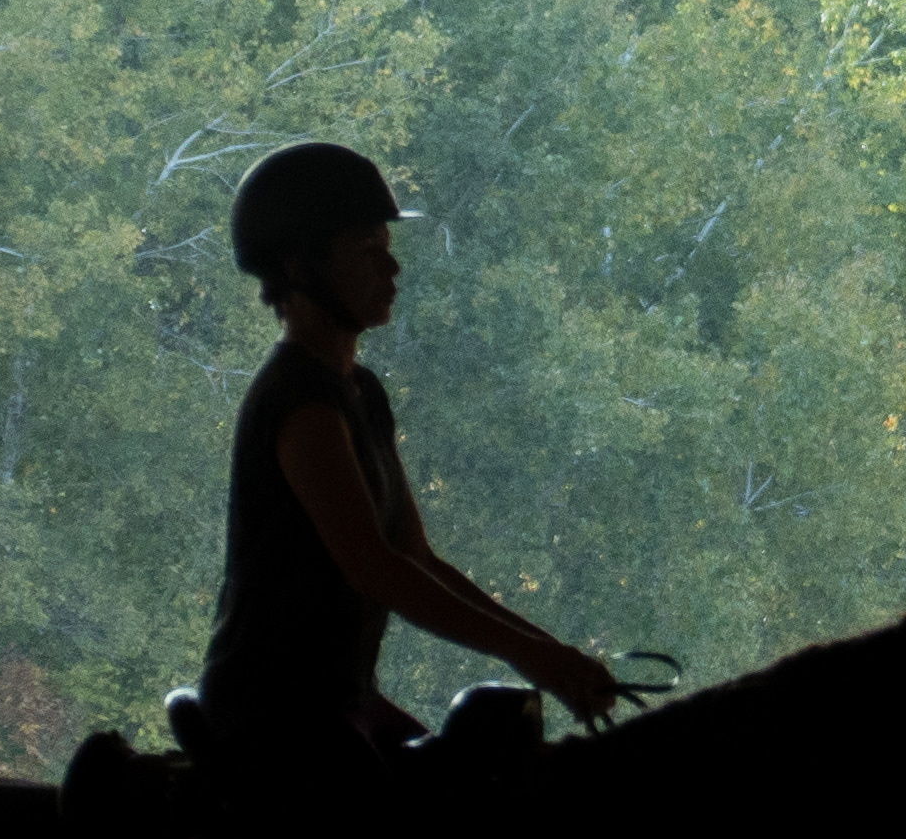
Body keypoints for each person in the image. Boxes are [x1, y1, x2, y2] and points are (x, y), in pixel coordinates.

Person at [190, 139, 629, 775]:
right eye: (367, 251)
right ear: (300, 266)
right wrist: (531, 657)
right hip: (275, 719)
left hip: (344, 702)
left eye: (388, 249)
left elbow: (414, 556)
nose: (392, 269)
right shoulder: (300, 403)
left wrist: (549, 652)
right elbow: (374, 568)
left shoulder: (360, 393)